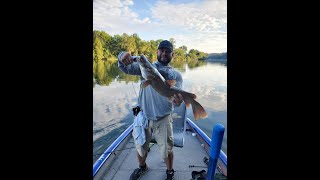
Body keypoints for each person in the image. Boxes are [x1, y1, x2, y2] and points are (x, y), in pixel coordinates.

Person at [118, 40, 184, 180]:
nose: (164, 53)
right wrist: (121, 56)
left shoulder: (176, 75)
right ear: (157, 52)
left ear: (173, 54)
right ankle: (142, 167)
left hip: (163, 118)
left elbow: (177, 100)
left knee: (167, 150)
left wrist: (178, 101)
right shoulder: (146, 68)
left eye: (167, 50)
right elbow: (124, 67)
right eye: (161, 50)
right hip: (144, 116)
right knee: (140, 146)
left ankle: (170, 171)